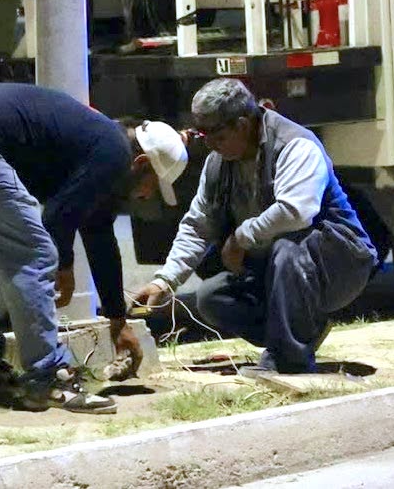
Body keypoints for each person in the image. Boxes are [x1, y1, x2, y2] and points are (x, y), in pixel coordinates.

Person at [0, 82, 188, 413]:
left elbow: (99, 235)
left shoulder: (98, 145)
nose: (145, 197)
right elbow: (56, 218)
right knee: (37, 255)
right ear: (141, 164)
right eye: (151, 186)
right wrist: (64, 267)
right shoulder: (112, 153)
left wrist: (117, 320)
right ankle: (47, 376)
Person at [133, 78, 378, 374]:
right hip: (279, 269)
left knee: (288, 248)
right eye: (203, 135)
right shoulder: (217, 163)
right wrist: (165, 281)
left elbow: (296, 211)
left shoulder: (294, 144)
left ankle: (290, 359)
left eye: (218, 135)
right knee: (212, 297)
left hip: (339, 264)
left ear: (243, 124)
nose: (209, 145)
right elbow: (198, 225)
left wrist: (240, 237)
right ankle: (299, 333)